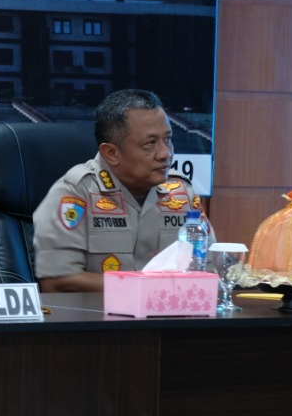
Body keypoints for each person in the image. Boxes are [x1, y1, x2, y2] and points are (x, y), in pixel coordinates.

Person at [32, 88, 205, 292]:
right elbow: (58, 281)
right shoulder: (76, 193)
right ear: (112, 153)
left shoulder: (181, 192)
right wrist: (146, 288)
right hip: (97, 312)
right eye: (150, 143)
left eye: (167, 139)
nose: (165, 154)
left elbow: (207, 267)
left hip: (171, 310)